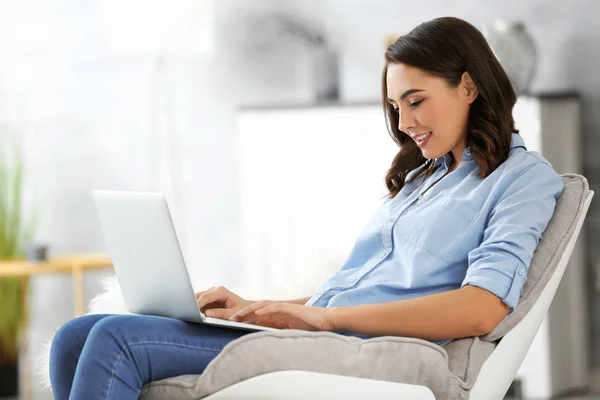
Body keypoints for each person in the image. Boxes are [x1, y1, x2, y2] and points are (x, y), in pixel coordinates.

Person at [49, 16, 564, 399]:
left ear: (469, 86)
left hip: (365, 350)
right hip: (328, 332)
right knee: (74, 336)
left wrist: (325, 320)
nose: (404, 122)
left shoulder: (521, 180)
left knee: (116, 338)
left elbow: (482, 307)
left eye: (416, 100)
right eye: (394, 106)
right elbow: (348, 293)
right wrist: (263, 308)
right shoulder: (425, 179)